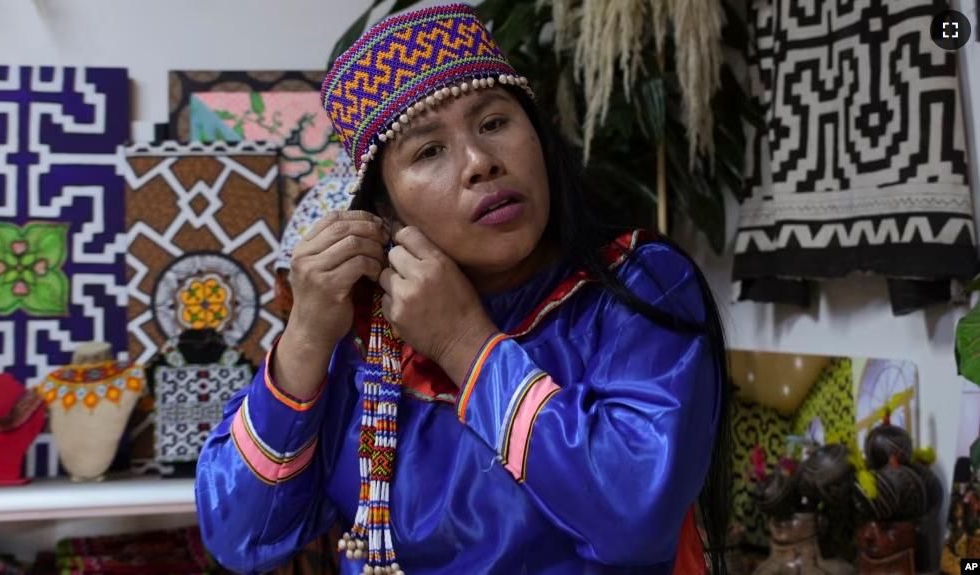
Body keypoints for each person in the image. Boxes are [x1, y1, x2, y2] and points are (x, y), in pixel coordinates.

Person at [195, 4, 733, 574]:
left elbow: (634, 519)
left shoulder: (636, 285)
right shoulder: (361, 334)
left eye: (495, 122)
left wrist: (464, 344)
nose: (480, 163)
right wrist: (304, 338)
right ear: (385, 208)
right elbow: (242, 538)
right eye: (429, 151)